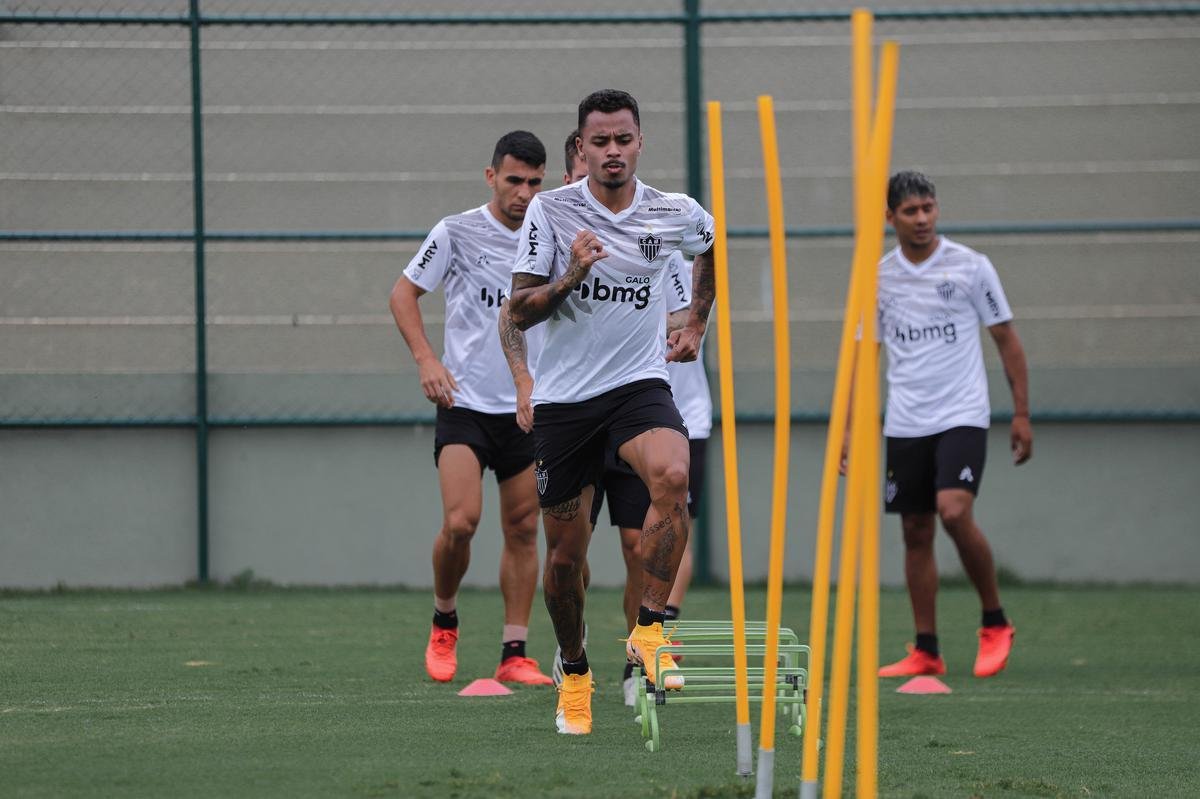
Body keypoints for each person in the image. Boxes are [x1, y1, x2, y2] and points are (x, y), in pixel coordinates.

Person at [506, 90, 716, 734]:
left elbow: (709, 244)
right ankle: (574, 670)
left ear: (640, 142)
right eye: (599, 142)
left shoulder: (671, 211)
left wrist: (697, 320)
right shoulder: (552, 210)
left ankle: (650, 632)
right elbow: (519, 310)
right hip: (567, 402)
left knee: (674, 477)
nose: (613, 152)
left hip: (637, 386)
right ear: (581, 148)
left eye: (623, 139)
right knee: (566, 561)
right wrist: (570, 274)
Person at [390, 131, 554, 687]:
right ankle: (444, 618)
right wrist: (426, 362)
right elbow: (402, 293)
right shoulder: (456, 231)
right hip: (464, 405)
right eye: (513, 180)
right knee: (461, 523)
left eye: (535, 182)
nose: (524, 193)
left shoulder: (553, 233)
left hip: (528, 408)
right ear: (491, 177)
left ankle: (515, 650)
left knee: (524, 528)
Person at [866, 171, 1031, 679]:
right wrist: (852, 428)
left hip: (962, 412)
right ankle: (926, 648)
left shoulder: (970, 266)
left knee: (953, 512)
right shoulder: (877, 277)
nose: (922, 219)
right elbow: (864, 353)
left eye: (929, 208)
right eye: (911, 211)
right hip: (905, 419)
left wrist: (1021, 411)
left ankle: (995, 621)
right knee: (915, 530)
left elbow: (1006, 338)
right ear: (890, 217)